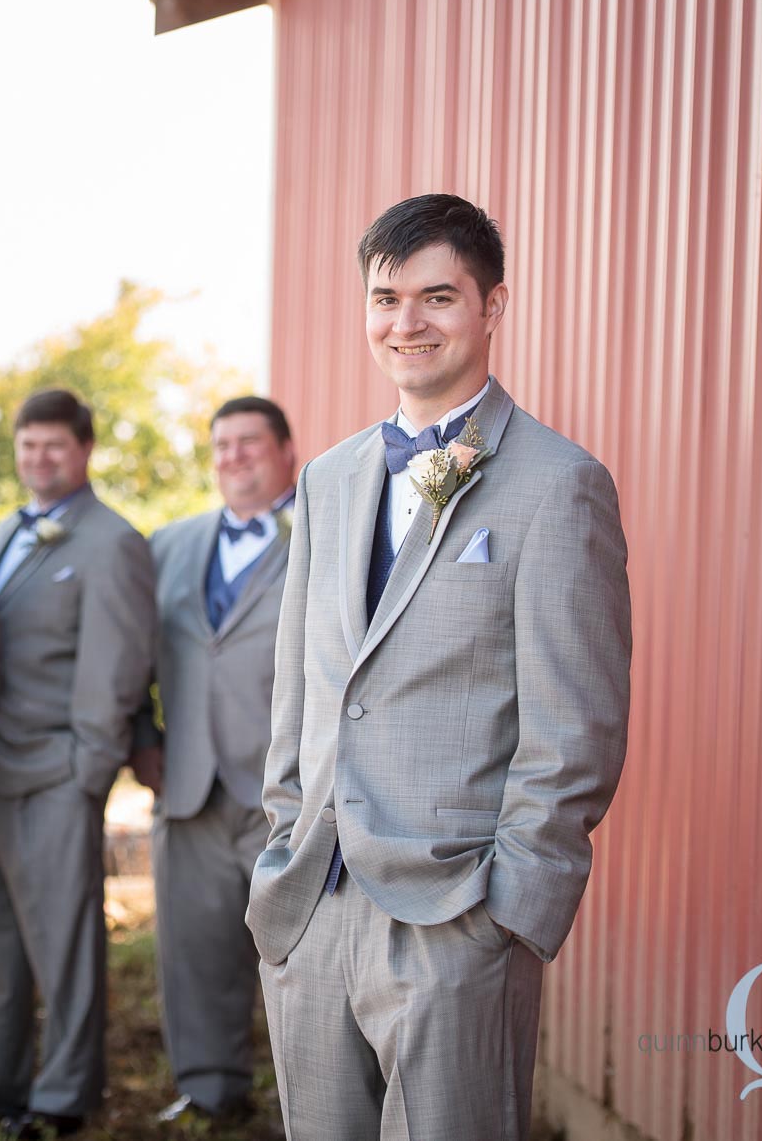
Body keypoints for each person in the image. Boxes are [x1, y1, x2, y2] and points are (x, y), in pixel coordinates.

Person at [247, 193, 632, 1140]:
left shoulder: (558, 483)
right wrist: (285, 839)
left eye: (437, 296)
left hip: (457, 914)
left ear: (491, 308)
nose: (405, 323)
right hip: (313, 900)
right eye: (385, 298)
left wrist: (505, 916)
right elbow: (299, 686)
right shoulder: (331, 477)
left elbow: (575, 727)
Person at [0, 389, 156, 1139]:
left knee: (65, 943)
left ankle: (63, 1097)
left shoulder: (112, 542)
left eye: (54, 446)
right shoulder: (3, 531)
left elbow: (115, 669)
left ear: (84, 452)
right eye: (27, 446)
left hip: (56, 771)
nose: (39, 459)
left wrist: (87, 771)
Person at [127, 395, 297, 1127]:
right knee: (192, 954)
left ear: (287, 451)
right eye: (222, 444)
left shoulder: (325, 534)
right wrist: (141, 736)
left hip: (288, 789)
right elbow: (129, 652)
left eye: (249, 443)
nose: (233, 457)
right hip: (187, 784)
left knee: (300, 961)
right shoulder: (169, 544)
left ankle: (314, 1097)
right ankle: (209, 1089)